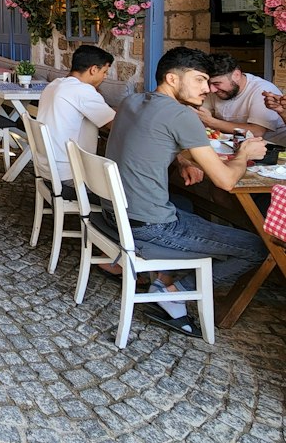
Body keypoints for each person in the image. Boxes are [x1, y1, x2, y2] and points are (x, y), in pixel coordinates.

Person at [106, 46, 268, 338]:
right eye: (199, 80)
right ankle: (174, 293)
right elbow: (227, 182)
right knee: (257, 247)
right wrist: (246, 151)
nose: (207, 89)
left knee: (187, 204)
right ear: (172, 78)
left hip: (115, 215)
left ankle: (166, 285)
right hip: (150, 226)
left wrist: (180, 159)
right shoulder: (182, 116)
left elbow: (149, 140)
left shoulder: (132, 101)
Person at [36, 44, 116, 188]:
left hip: (48, 167)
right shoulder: (82, 91)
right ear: (93, 70)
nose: (105, 77)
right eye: (104, 72)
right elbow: (115, 124)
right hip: (70, 174)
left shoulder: (55, 84)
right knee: (124, 187)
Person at [202, 54, 286, 140]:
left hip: (272, 147)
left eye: (217, 84)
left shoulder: (262, 89)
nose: (212, 90)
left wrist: (211, 122)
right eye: (209, 83)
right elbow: (201, 117)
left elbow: (257, 132)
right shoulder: (215, 89)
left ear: (236, 75)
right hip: (232, 145)